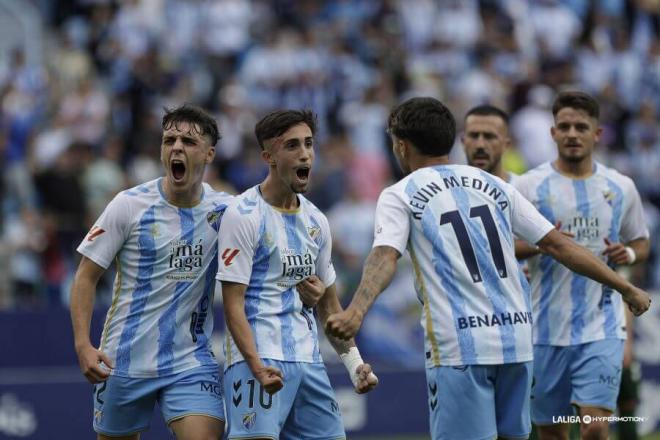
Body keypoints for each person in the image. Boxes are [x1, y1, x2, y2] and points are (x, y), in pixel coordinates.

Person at [325, 97, 651, 440]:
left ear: (401, 146)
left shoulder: (400, 194)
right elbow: (559, 245)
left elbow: (385, 256)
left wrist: (355, 312)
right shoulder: (495, 185)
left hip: (460, 346)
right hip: (517, 341)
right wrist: (625, 286)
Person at [70, 105, 230, 440]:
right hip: (122, 361)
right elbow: (85, 276)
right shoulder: (128, 205)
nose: (176, 147)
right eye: (169, 139)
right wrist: (83, 345)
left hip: (190, 360)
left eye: (188, 141)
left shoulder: (225, 211)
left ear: (209, 153)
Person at [217, 109, 378, 440]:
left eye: (308, 143)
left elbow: (331, 309)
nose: (304, 153)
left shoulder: (317, 221)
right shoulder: (243, 214)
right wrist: (255, 365)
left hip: (309, 361)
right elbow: (233, 305)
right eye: (291, 146)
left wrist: (355, 366)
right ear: (269, 157)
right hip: (259, 359)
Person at [513, 91, 651, 440]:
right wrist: (542, 244)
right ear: (553, 133)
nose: (572, 133)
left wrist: (630, 255)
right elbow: (503, 247)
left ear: (597, 133)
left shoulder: (621, 187)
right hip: (544, 329)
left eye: (581, 127)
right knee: (553, 433)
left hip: (601, 326)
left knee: (594, 428)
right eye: (565, 127)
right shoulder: (527, 187)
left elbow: (642, 241)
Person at [462, 104, 518, 183]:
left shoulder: (522, 191)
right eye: (474, 136)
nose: (480, 145)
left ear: (506, 145)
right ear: (463, 142)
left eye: (489, 137)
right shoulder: (448, 190)